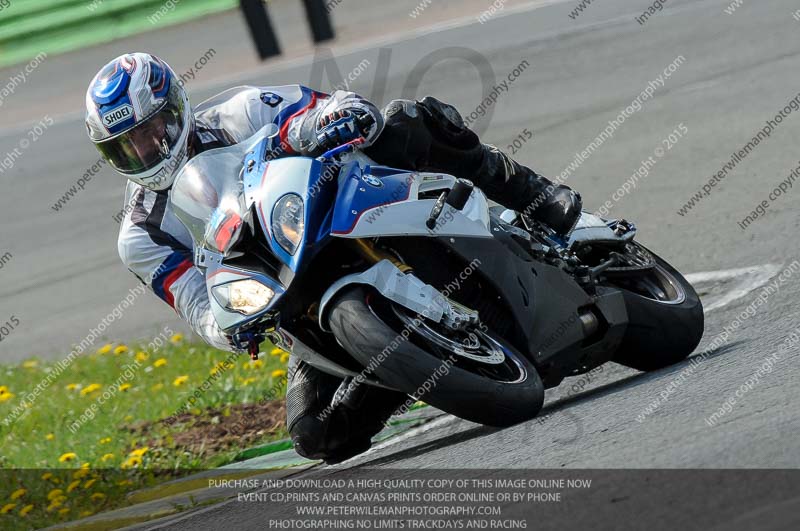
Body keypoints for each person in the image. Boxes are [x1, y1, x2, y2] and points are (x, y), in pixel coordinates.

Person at [85, 53, 582, 463]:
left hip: (336, 213)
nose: (146, 150)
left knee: (404, 121)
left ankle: (528, 189)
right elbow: (196, 306)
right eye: (125, 148)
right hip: (288, 298)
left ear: (176, 108)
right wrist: (229, 329)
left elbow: (325, 106)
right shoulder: (140, 235)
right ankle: (412, 365)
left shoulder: (237, 112)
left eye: (151, 131)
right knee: (315, 436)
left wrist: (330, 120)